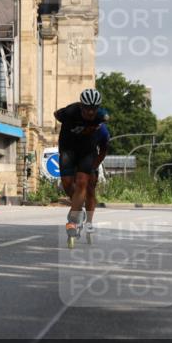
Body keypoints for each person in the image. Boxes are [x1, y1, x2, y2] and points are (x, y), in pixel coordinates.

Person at [54, 88, 109, 238]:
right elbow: (56, 114)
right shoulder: (69, 112)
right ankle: (78, 206)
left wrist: (94, 166)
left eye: (94, 109)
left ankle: (76, 218)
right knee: (66, 183)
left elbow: (103, 151)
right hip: (68, 149)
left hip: (87, 152)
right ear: (81, 106)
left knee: (84, 183)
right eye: (87, 109)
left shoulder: (102, 122)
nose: (90, 113)